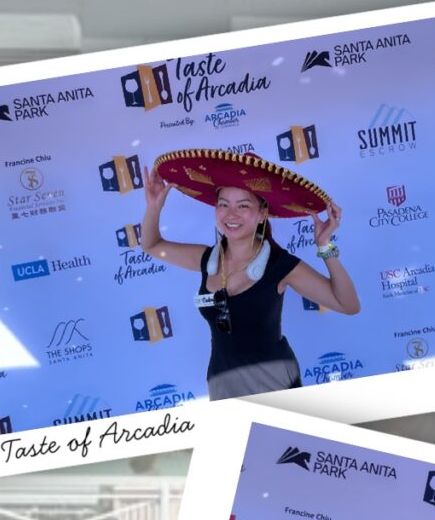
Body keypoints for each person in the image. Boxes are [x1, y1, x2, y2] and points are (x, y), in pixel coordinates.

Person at [141, 149, 360, 399]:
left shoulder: (280, 265)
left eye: (243, 206)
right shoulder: (206, 260)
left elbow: (348, 304)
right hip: (223, 385)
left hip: (276, 386)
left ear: (262, 214)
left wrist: (324, 245)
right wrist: (154, 207)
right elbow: (152, 246)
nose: (231, 214)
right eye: (223, 205)